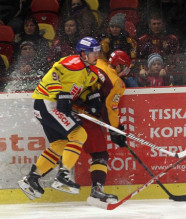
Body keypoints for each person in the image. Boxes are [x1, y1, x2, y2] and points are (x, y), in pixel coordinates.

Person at [18, 37, 102, 200]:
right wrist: (60, 94)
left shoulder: (90, 73)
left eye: (98, 51)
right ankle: (63, 176)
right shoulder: (74, 63)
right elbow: (55, 71)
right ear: (83, 54)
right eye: (93, 52)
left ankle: (32, 179)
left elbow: (77, 89)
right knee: (79, 135)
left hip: (47, 105)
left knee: (60, 144)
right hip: (48, 102)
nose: (97, 55)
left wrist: (90, 97)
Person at [76, 50, 129, 205]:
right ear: (118, 66)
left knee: (61, 146)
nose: (126, 71)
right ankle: (96, 191)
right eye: (125, 67)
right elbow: (110, 107)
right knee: (100, 154)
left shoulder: (98, 63)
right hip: (85, 115)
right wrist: (116, 129)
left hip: (66, 110)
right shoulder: (117, 82)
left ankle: (34, 177)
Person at [100, 13, 138, 87]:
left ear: (122, 28)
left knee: (133, 85)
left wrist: (125, 71)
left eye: (117, 27)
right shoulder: (105, 42)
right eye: (112, 26)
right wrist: (113, 71)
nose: (114, 29)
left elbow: (133, 59)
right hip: (110, 74)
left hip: (127, 74)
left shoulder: (130, 42)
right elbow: (102, 61)